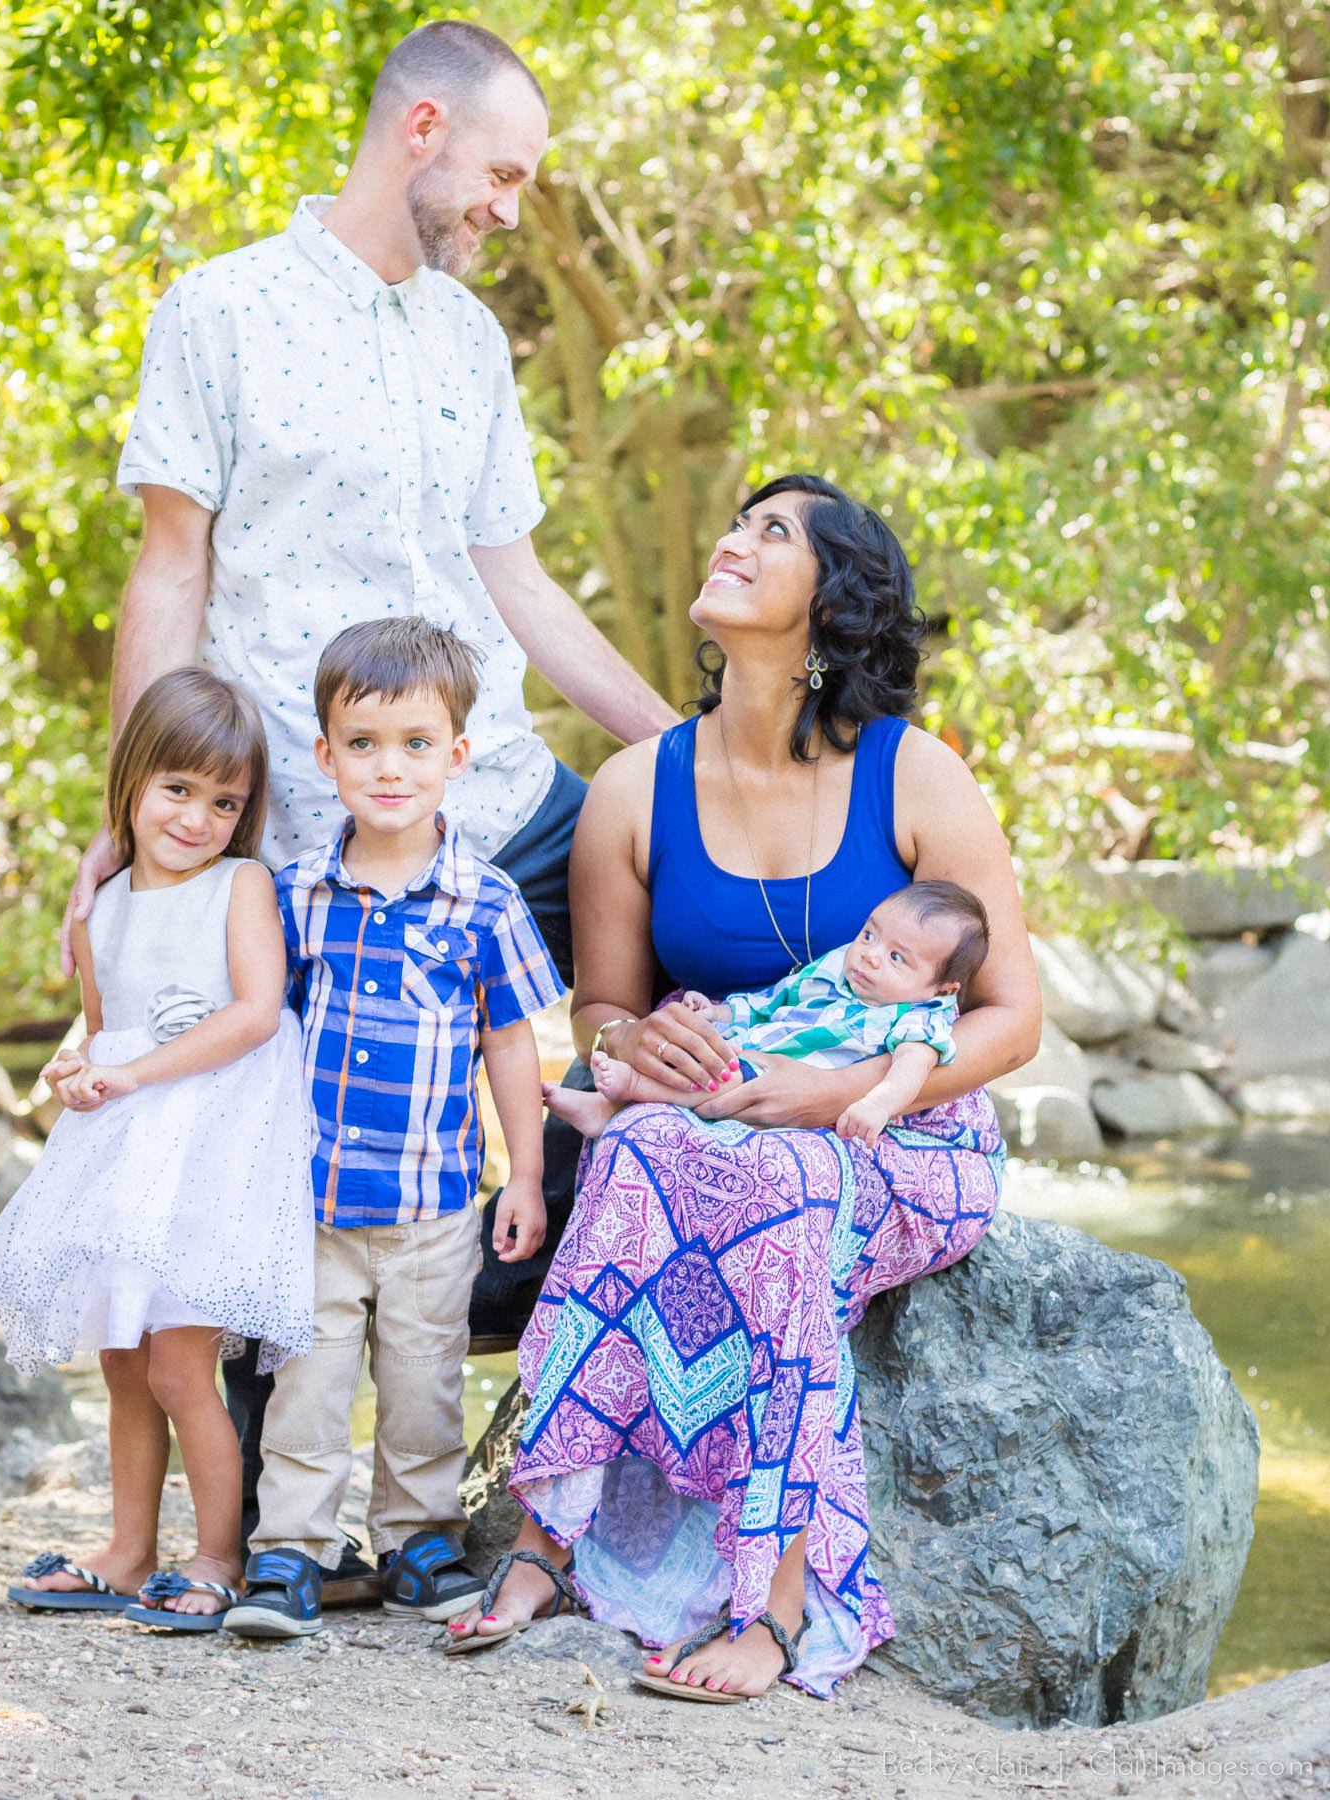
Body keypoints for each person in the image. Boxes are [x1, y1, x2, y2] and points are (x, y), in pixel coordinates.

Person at [71, 17, 677, 1577]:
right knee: (283, 1133)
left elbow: (514, 581)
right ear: (421, 130)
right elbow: (171, 569)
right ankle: (296, 1525)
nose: (510, 210)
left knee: (689, 965)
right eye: (502, 174)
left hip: (503, 803)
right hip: (309, 824)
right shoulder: (218, 313)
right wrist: (134, 821)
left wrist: (673, 747)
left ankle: (581, 1436)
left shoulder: (472, 345)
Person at [444, 474, 1043, 1704]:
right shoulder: (633, 787)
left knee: (774, 1183)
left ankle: (773, 1601)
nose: (734, 539)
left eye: (777, 533)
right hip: (714, 1114)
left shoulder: (916, 775)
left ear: (835, 603)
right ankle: (547, 1539)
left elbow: (1015, 1016)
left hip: (898, 1122)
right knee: (631, 1154)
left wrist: (837, 1091)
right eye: (736, 519)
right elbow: (602, 1012)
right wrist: (631, 1051)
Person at [223, 619, 565, 1639]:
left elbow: (511, 1045)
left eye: (417, 744)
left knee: (423, 1384)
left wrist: (527, 1176)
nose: (389, 767)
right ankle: (293, 1554)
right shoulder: (294, 898)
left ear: (458, 758)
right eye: (363, 744)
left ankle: (419, 1541)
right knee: (307, 1386)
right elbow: (256, 1033)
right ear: (324, 757)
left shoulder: (487, 903)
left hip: (434, 1207)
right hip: (313, 1201)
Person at [0, 668, 314, 1628]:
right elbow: (99, 1033)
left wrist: (132, 1073)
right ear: (131, 782)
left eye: (224, 801)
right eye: (177, 790)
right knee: (122, 1359)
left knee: (176, 1366)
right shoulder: (103, 904)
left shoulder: (240, 886)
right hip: (125, 1152)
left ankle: (215, 1557)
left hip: (208, 1150)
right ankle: (124, 1550)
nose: (198, 818)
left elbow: (253, 1015)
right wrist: (72, 1075)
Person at [547, 881, 990, 1148]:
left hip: (790, 1080)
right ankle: (611, 1103)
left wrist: (877, 1105)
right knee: (696, 1044)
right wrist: (720, 1013)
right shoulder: (839, 965)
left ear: (942, 987)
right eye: (870, 934)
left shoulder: (919, 1016)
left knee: (729, 1081)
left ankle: (620, 1099)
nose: (870, 956)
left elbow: (910, 1071)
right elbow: (772, 1000)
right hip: (757, 1042)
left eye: (897, 958)